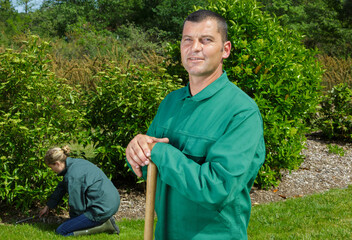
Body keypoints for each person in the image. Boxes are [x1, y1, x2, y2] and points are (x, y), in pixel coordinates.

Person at [126, 9, 265, 240]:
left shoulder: (242, 113)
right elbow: (147, 163)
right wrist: (137, 147)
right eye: (187, 40)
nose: (195, 47)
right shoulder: (171, 102)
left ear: (226, 50)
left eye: (206, 40)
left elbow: (216, 189)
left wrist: (160, 151)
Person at [39, 146, 120, 236]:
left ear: (57, 163)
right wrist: (48, 206)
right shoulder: (76, 163)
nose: (52, 170)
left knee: (61, 231)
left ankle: (106, 226)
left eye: (51, 167)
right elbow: (62, 187)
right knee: (70, 224)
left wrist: (74, 222)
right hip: (111, 202)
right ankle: (104, 220)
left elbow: (78, 207)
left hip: (101, 209)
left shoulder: (73, 176)